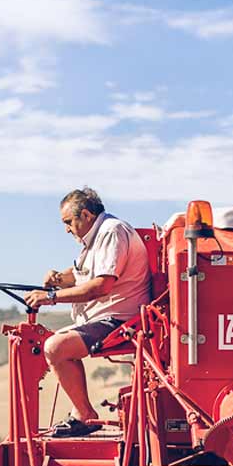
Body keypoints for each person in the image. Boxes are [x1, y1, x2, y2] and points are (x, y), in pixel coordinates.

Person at [22, 187, 150, 437]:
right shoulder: (95, 238)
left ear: (86, 215)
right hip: (105, 316)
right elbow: (83, 273)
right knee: (53, 345)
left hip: (119, 318)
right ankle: (79, 412)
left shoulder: (112, 232)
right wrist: (59, 278)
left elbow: (101, 285)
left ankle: (84, 415)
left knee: (55, 347)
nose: (67, 229)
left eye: (68, 222)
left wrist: (50, 297)